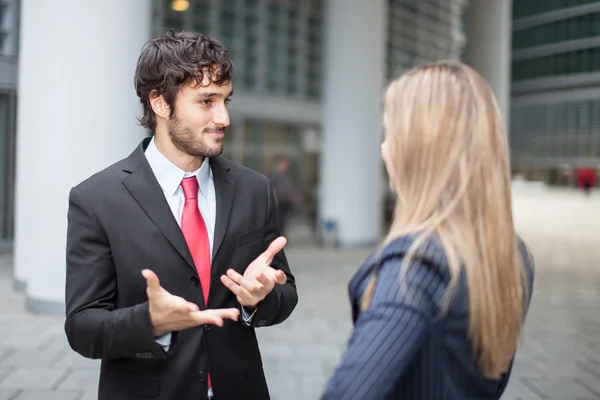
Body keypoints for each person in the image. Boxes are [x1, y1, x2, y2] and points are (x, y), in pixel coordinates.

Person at [64, 30, 298, 400]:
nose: (223, 117)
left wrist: (260, 298)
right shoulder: (96, 199)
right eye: (207, 101)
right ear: (159, 102)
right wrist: (148, 321)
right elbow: (82, 327)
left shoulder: (254, 189)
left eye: (225, 100)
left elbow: (285, 295)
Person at [321, 61, 535, 399]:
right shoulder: (511, 253)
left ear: (419, 150)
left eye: (390, 134)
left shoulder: (413, 268)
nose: (383, 149)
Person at [266, 155, 300, 237]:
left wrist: (294, 196)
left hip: (286, 202)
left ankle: (282, 235)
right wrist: (274, 198)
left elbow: (289, 188)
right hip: (278, 203)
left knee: (284, 221)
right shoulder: (273, 175)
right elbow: (269, 187)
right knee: (278, 221)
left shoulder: (286, 176)